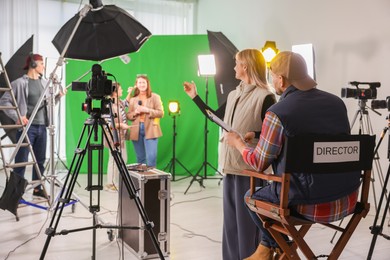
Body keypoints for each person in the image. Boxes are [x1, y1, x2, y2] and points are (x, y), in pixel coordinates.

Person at [225, 51, 359, 259]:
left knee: (250, 197)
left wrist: (239, 144)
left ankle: (272, 248)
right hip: (347, 197)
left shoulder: (279, 112)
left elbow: (259, 163)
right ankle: (275, 249)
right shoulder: (337, 103)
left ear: (281, 79)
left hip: (305, 203)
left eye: (273, 76)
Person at [183, 49, 276, 260]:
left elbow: (275, 133)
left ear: (246, 66)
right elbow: (215, 116)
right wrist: (195, 97)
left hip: (251, 171)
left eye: (237, 63)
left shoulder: (266, 97)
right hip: (231, 167)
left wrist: (256, 134)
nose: (234, 67)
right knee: (231, 226)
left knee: (248, 228)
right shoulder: (234, 94)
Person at [0, 53, 64, 198]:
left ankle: (37, 189)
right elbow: (4, 102)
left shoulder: (44, 83)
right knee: (21, 161)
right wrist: (18, 117)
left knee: (40, 161)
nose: (44, 66)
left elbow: (48, 104)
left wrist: (58, 96)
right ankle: (16, 193)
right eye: (41, 64)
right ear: (33, 64)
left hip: (42, 127)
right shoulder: (20, 83)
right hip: (27, 129)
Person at [126, 75, 164, 167]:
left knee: (151, 157)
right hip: (136, 129)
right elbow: (128, 115)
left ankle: (152, 180)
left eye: (144, 82)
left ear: (147, 84)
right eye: (139, 82)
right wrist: (135, 112)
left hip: (151, 129)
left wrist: (147, 110)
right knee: (140, 158)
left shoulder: (155, 97)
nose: (142, 84)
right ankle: (142, 180)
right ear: (136, 84)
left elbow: (161, 113)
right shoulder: (133, 99)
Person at [103, 82, 132, 191]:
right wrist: (121, 125)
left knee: (122, 159)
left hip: (121, 137)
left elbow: (126, 103)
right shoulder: (108, 105)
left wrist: (130, 92)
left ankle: (115, 182)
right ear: (114, 92)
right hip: (113, 137)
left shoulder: (119, 102)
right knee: (115, 159)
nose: (122, 91)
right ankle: (111, 184)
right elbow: (108, 124)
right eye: (120, 89)